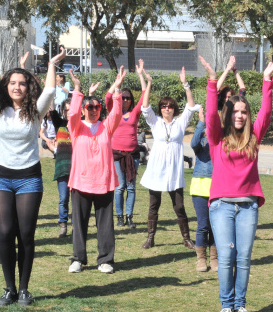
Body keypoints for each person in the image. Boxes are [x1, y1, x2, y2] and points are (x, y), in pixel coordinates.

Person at [0, 41, 63, 307]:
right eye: (12, 83)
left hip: (28, 178)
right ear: (7, 86)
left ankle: (24, 289)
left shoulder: (36, 112)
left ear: (27, 86)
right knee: (5, 231)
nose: (17, 87)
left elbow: (49, 89)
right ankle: (9, 288)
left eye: (22, 83)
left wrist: (52, 64)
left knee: (25, 233)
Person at [200, 54, 273, 312]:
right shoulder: (216, 137)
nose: (240, 115)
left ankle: (240, 306)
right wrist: (212, 81)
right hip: (221, 205)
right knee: (226, 256)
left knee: (243, 257)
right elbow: (210, 114)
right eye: (235, 111)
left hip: (248, 205)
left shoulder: (254, 138)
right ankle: (226, 305)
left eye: (244, 111)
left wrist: (267, 79)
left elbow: (266, 112)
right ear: (229, 114)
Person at [139, 60, 199, 250]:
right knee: (153, 205)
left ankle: (187, 238)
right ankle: (150, 237)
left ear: (174, 109)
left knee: (179, 206)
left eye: (170, 106)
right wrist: (148, 83)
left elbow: (191, 106)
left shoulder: (180, 123)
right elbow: (145, 106)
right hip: (156, 168)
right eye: (164, 106)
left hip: (174, 170)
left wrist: (185, 84)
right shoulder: (155, 122)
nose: (166, 108)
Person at [67, 70, 123, 274]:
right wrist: (78, 90)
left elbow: (116, 114)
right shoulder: (76, 126)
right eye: (89, 107)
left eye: (97, 107)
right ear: (83, 109)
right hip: (81, 182)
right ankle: (78, 259)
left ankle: (105, 259)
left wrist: (117, 89)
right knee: (79, 224)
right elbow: (72, 113)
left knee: (105, 225)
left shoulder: (105, 127)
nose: (93, 110)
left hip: (103, 182)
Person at [105, 66, 148, 230]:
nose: (125, 100)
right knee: (120, 186)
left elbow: (144, 95)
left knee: (131, 187)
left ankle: (129, 217)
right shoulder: (113, 111)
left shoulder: (135, 113)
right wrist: (117, 84)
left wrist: (141, 76)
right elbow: (108, 99)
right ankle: (120, 217)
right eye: (123, 97)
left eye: (128, 98)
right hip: (116, 155)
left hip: (133, 156)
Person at [190, 104, 216, 273]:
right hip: (200, 186)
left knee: (215, 226)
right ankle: (201, 259)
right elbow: (193, 144)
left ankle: (214, 258)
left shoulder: (220, 136)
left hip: (218, 186)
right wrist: (201, 124)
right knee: (203, 225)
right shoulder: (201, 137)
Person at [49, 96, 73, 238]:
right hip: (62, 167)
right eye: (66, 110)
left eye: (71, 109)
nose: (68, 112)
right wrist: (51, 94)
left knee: (76, 201)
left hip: (77, 168)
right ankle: (63, 226)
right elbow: (52, 111)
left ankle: (76, 226)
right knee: (63, 198)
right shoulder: (60, 124)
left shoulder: (79, 124)